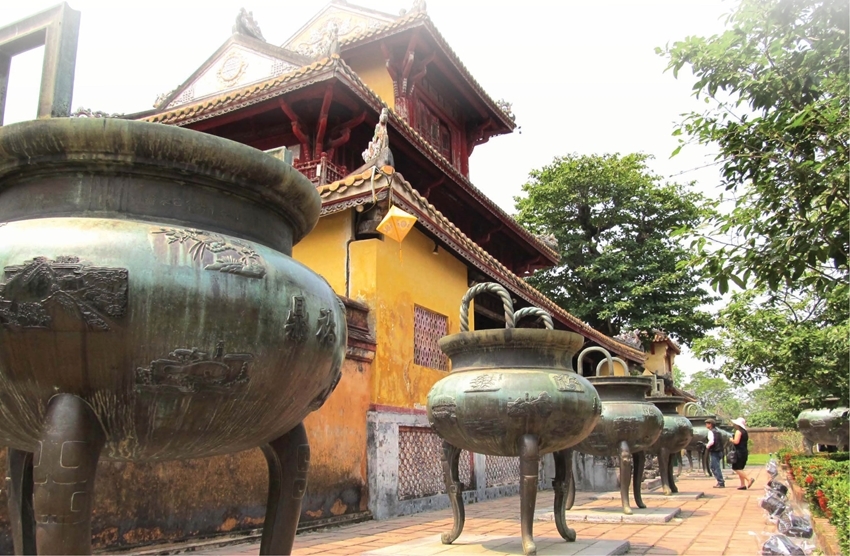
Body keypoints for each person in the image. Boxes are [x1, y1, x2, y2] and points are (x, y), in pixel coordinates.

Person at [730, 417, 755, 490]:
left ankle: (748, 479)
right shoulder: (745, 432)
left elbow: (736, 441)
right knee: (740, 468)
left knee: (736, 468)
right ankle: (742, 484)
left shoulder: (738, 431)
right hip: (744, 451)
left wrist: (731, 440)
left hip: (739, 452)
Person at [705, 418, 725, 488]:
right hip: (719, 451)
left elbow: (711, 441)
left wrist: (707, 446)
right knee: (715, 466)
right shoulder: (718, 431)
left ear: (710, 424)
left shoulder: (711, 432)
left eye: (707, 423)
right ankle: (720, 481)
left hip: (715, 451)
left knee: (715, 467)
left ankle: (720, 482)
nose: (706, 425)